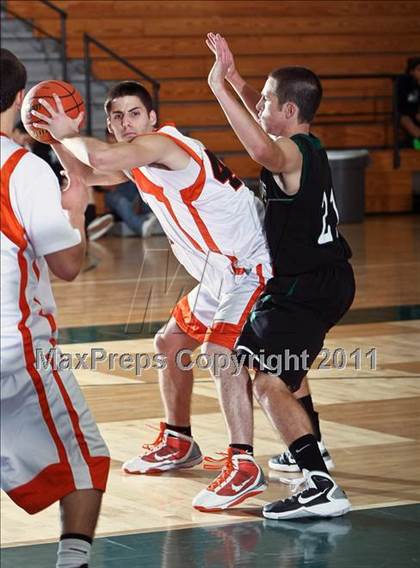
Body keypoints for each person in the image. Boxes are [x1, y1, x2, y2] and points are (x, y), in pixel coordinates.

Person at [32, 80, 273, 510]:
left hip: (250, 264)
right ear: (109, 122)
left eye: (135, 114)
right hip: (220, 272)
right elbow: (86, 173)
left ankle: (244, 466)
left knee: (220, 353)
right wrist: (55, 138)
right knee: (170, 342)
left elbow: (100, 156)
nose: (127, 123)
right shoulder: (138, 160)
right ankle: (180, 441)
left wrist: (64, 127)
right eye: (118, 116)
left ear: (153, 119)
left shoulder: (164, 145)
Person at [206, 33, 355, 519]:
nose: (260, 105)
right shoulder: (308, 143)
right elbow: (270, 116)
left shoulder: (286, 153)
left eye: (267, 100)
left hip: (303, 285)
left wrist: (219, 89)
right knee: (289, 366)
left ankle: (319, 484)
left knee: (263, 377)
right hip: (330, 279)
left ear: (288, 111)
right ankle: (309, 448)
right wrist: (239, 80)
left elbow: (261, 149)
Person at [1, 49, 110, 568]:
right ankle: (74, 561)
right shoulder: (23, 168)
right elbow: (68, 265)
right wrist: (78, 207)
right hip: (16, 348)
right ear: (20, 99)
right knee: (86, 461)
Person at [396, 56, 420, 149]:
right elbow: (401, 106)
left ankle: (415, 143)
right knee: (405, 119)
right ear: (411, 72)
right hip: (407, 115)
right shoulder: (404, 82)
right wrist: (415, 114)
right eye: (419, 70)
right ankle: (416, 142)